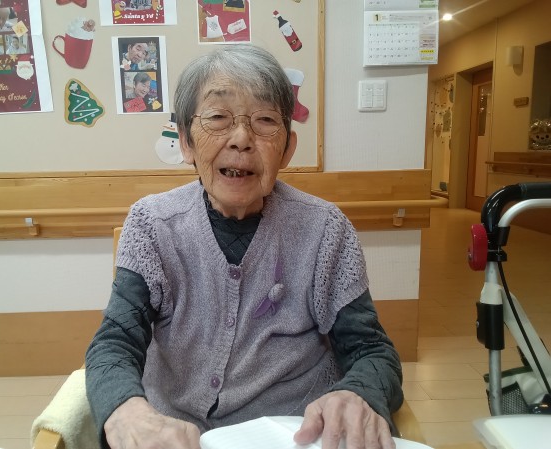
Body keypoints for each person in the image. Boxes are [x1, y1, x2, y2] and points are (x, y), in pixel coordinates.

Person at [85, 44, 403, 449]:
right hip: (176, 437)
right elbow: (115, 340)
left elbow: (371, 350)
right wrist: (126, 409)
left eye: (265, 120)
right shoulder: (151, 224)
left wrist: (359, 393)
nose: (241, 139)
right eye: (218, 118)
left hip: (292, 435)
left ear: (287, 148)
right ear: (185, 142)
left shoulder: (325, 229)